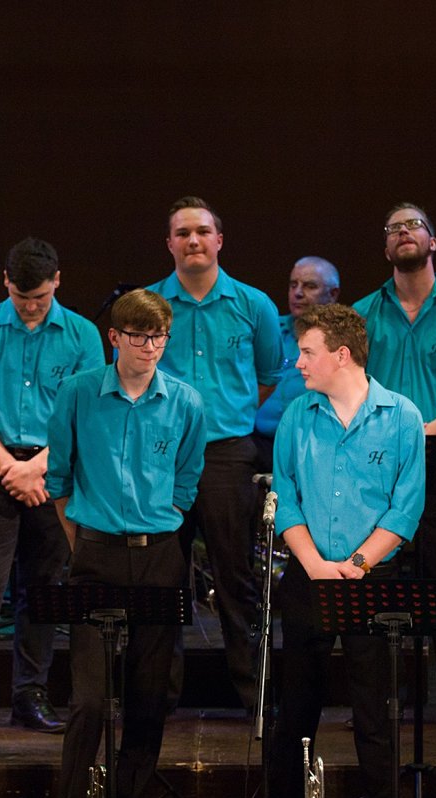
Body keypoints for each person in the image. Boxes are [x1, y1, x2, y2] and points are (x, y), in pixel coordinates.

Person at [31, 289, 207, 798]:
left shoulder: (185, 401)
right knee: (88, 702)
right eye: (139, 337)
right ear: (115, 338)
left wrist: (163, 526)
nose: (150, 348)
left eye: (159, 337)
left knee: (149, 701)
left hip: (160, 557)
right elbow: (59, 479)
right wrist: (84, 546)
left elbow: (186, 481)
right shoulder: (80, 392)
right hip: (97, 555)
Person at [268, 303, 425, 798]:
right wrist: (314, 563)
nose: (298, 362)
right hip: (309, 578)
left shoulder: (402, 416)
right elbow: (285, 494)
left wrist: (357, 564)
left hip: (371, 581)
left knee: (376, 718)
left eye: (307, 352)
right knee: (294, 715)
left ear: (341, 355)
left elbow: (405, 507)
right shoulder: (298, 414)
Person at [0, 238, 102, 743]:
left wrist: (38, 468)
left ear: (57, 282)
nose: (31, 307)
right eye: (22, 297)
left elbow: (87, 410)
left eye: (40, 298)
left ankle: (30, 694)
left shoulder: (82, 334)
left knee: (43, 588)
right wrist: (11, 468)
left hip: (54, 467)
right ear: (5, 282)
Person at [354, 203, 436, 721]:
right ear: (385, 247)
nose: (403, 232)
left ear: (433, 241)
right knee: (380, 582)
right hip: (378, 463)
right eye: (393, 228)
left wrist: (421, 431)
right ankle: (382, 700)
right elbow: (350, 388)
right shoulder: (364, 313)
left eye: (414, 225)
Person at [148, 196, 280, 718]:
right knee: (162, 578)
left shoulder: (253, 304)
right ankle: (159, 697)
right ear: (169, 244)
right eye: (183, 233)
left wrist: (226, 413)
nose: (193, 240)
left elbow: (267, 377)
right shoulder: (149, 305)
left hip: (227, 453)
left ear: (219, 240)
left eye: (202, 231)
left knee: (235, 577)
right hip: (161, 455)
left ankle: (255, 695)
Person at [252, 256, 340, 462]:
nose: (298, 293)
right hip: (260, 443)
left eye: (310, 286)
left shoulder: (341, 340)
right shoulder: (270, 330)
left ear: (333, 294)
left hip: (316, 446)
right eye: (293, 285)